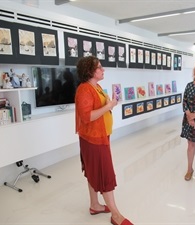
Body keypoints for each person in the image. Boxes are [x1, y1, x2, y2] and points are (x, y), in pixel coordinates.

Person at [75, 56, 133, 225]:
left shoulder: (96, 86)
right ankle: (116, 215)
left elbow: (99, 107)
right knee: (104, 172)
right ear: (90, 71)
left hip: (100, 136)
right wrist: (108, 106)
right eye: (99, 67)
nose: (103, 70)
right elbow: (87, 117)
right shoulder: (84, 89)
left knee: (93, 171)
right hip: (93, 139)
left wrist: (109, 103)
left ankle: (94, 205)